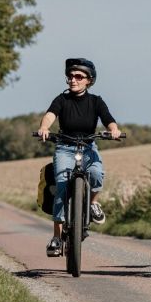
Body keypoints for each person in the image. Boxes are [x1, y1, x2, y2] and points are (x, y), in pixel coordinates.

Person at [37, 58, 122, 257]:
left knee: (96, 173)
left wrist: (114, 130)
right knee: (61, 185)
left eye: (78, 77)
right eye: (70, 76)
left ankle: (92, 203)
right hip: (65, 147)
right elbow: (50, 114)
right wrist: (44, 127)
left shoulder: (96, 101)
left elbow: (108, 119)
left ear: (89, 80)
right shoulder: (62, 99)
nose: (73, 80)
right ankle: (57, 238)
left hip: (88, 147)